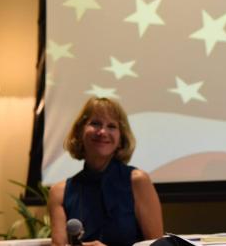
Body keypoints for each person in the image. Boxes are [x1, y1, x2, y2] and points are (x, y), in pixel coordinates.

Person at [48, 97, 163, 246]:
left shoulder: (138, 181)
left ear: (121, 138)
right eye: (95, 123)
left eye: (112, 126)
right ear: (79, 132)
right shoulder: (59, 193)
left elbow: (157, 245)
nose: (102, 132)